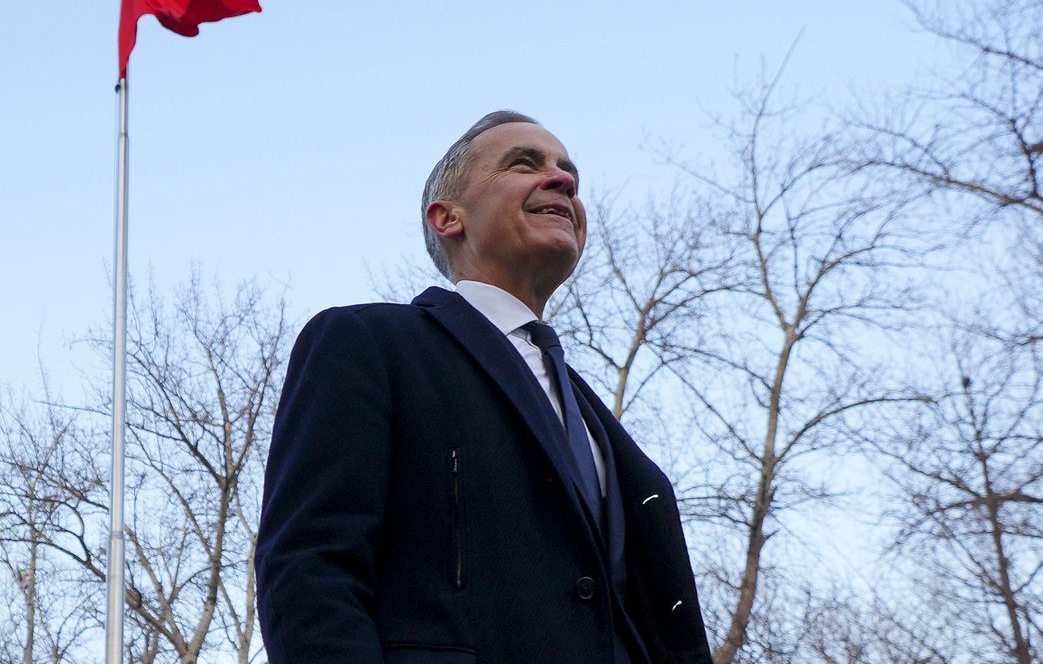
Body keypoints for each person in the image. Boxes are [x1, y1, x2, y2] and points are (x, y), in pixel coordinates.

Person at [255, 111, 711, 663]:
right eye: (524, 164)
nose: (563, 180)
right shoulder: (368, 344)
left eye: (569, 173)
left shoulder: (592, 418)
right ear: (448, 217)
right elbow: (309, 573)